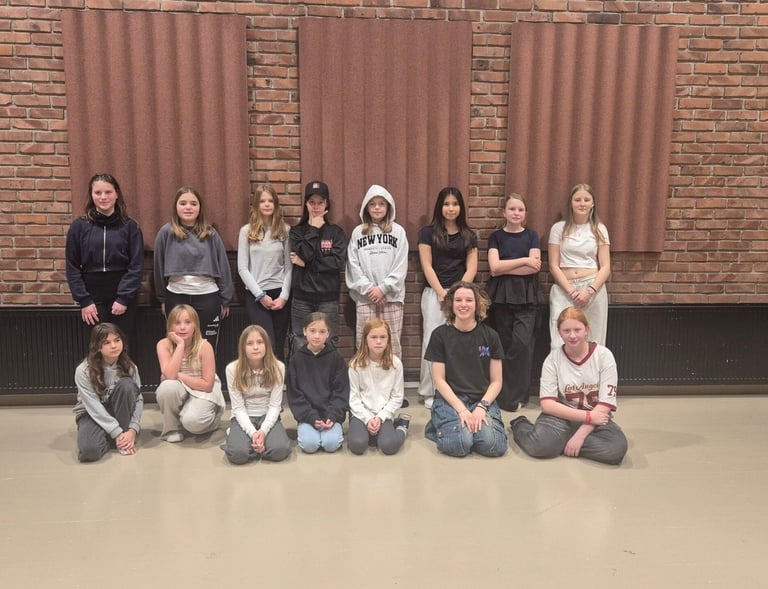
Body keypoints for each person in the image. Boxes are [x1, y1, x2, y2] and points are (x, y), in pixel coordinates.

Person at [510, 307, 628, 465]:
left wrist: (580, 435)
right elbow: (548, 404)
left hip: (594, 418)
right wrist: (587, 416)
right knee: (538, 447)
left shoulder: (604, 356)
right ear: (559, 333)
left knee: (616, 450)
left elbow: (605, 405)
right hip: (561, 416)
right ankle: (521, 424)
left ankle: (560, 443)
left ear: (586, 330)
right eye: (566, 331)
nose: (572, 336)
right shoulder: (552, 360)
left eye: (577, 330)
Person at [424, 281, 507, 458]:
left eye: (469, 300)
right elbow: (439, 380)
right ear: (450, 304)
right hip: (451, 399)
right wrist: (462, 410)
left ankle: (467, 430)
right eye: (458, 300)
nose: (463, 304)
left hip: (481, 399)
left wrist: (482, 407)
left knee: (494, 446)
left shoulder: (491, 336)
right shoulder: (439, 335)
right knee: (460, 444)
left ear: (477, 304)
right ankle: (443, 424)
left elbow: (497, 381)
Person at [65, 173, 144, 348]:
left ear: (116, 194)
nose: (103, 197)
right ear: (91, 195)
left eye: (108, 192)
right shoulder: (79, 227)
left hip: (122, 293)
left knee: (123, 346)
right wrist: (84, 300)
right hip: (92, 296)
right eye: (98, 192)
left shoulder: (130, 227)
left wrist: (124, 298)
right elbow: (72, 266)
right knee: (99, 347)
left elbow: (136, 265)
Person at [417, 187, 478, 409]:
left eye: (455, 204)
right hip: (435, 294)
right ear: (439, 207)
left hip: (461, 295)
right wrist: (443, 294)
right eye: (446, 204)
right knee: (432, 340)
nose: (450, 208)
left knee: (459, 341)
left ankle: (455, 389)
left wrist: (457, 294)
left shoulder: (469, 235)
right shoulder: (427, 233)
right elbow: (427, 266)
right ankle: (430, 390)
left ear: (460, 207)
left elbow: (471, 267)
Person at [154, 186, 233, 349]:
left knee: (206, 347)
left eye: (193, 203)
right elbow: (158, 266)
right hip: (176, 297)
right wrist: (162, 298)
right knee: (178, 347)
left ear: (200, 207)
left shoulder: (210, 233)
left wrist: (226, 299)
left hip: (207, 298)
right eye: (183, 203)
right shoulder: (166, 232)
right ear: (176, 207)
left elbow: (223, 266)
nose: (188, 207)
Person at [487, 193, 541, 411]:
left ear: (525, 213)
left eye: (520, 209)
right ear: (504, 212)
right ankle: (504, 396)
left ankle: (520, 394)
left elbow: (534, 268)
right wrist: (525, 260)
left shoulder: (532, 236)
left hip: (526, 297)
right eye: (512, 209)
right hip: (501, 297)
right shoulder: (496, 237)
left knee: (522, 345)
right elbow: (494, 268)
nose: (516, 213)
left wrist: (507, 266)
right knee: (504, 344)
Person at [346, 184, 409, 358]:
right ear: (366, 207)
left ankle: (393, 376)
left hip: (392, 298)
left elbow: (401, 265)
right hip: (365, 299)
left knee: (391, 344)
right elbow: (353, 265)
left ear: (388, 206)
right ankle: (364, 376)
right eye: (372, 204)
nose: (377, 208)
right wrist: (370, 289)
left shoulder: (398, 232)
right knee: (365, 344)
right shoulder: (358, 233)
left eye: (381, 204)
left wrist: (383, 288)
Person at [548, 183, 610, 348]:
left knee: (593, 340)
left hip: (592, 289)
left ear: (593, 203)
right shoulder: (558, 228)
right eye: (577, 200)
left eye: (586, 200)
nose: (582, 204)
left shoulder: (599, 229)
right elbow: (553, 265)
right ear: (571, 202)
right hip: (564, 289)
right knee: (559, 342)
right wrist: (572, 291)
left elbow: (605, 267)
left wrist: (589, 291)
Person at [289, 180, 347, 351]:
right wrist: (313, 229)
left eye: (320, 202)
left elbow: (336, 263)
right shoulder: (296, 232)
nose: (316, 207)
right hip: (301, 298)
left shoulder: (336, 232)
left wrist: (306, 264)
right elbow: (305, 254)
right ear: (306, 204)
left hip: (327, 298)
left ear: (326, 204)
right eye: (312, 202)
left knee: (328, 341)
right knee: (300, 341)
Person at [220, 325, 291, 464]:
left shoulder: (278, 367)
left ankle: (254, 445)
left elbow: (275, 406)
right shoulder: (232, 369)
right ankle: (242, 440)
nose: (255, 347)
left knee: (280, 450)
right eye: (250, 343)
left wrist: (263, 431)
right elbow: (238, 408)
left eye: (260, 342)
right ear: (243, 347)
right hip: (244, 416)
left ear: (267, 345)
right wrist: (253, 433)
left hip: (268, 416)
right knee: (238, 455)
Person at [72, 323, 142, 462]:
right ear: (98, 347)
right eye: (107, 342)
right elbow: (93, 407)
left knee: (127, 385)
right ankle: (117, 438)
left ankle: (120, 436)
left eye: (117, 340)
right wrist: (117, 433)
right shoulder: (83, 370)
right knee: (89, 452)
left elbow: (138, 399)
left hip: (119, 411)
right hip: (91, 413)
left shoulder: (130, 367)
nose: (114, 346)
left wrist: (133, 429)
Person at [155, 304, 225, 443]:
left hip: (201, 390)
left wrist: (179, 376)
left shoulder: (205, 346)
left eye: (187, 322)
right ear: (170, 326)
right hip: (181, 387)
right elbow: (170, 377)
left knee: (193, 423)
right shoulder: (163, 344)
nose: (182, 327)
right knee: (167, 387)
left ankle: (212, 421)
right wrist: (180, 345)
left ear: (195, 326)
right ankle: (172, 429)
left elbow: (207, 385)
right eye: (177, 323)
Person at [237, 183, 292, 362]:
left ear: (275, 204)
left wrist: (284, 297)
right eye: (262, 201)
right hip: (257, 296)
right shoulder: (246, 231)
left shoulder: (285, 230)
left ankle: (280, 378)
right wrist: (260, 295)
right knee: (266, 343)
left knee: (279, 343)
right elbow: (242, 268)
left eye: (270, 201)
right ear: (256, 205)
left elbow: (289, 266)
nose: (267, 204)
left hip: (280, 296)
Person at [286, 312, 349, 454]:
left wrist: (332, 416)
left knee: (331, 445)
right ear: (304, 331)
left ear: (328, 334)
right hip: (307, 417)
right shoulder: (296, 360)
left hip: (330, 416)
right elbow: (294, 394)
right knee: (310, 445)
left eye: (322, 332)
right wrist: (311, 417)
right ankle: (309, 431)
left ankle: (330, 431)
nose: (317, 336)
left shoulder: (336, 358)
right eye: (312, 331)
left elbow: (341, 391)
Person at [347, 318, 410, 456]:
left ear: (388, 340)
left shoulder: (396, 364)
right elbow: (354, 398)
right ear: (365, 339)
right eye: (373, 337)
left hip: (384, 413)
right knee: (357, 445)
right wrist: (367, 419)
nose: (378, 341)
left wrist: (380, 418)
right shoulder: (355, 365)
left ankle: (402, 426)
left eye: (383, 337)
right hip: (361, 413)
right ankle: (369, 433)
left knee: (389, 446)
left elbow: (397, 397)